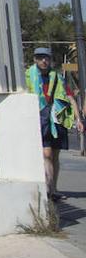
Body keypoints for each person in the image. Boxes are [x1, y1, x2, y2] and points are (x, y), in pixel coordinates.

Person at [27, 47, 83, 200]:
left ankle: (53, 188)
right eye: (40, 57)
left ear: (50, 60)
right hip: (39, 119)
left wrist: (78, 120)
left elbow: (70, 98)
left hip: (57, 120)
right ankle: (49, 188)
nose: (43, 61)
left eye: (46, 58)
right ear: (35, 59)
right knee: (47, 153)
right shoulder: (28, 76)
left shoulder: (58, 77)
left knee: (55, 155)